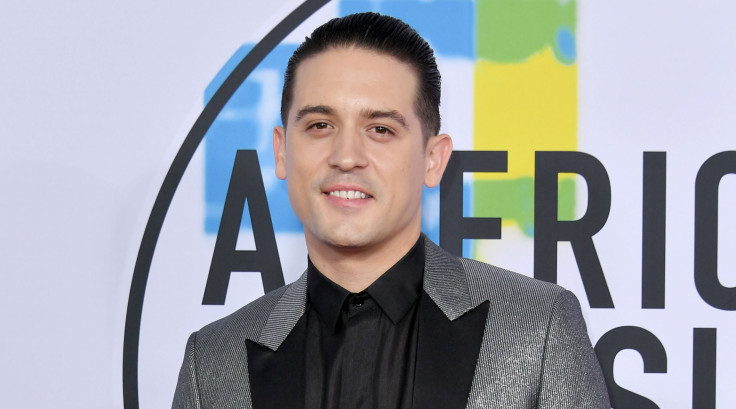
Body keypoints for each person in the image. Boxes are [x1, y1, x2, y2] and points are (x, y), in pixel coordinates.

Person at [172, 12, 610, 409]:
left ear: (433, 160)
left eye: (380, 129)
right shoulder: (211, 362)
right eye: (320, 126)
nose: (346, 156)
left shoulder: (539, 329)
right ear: (282, 151)